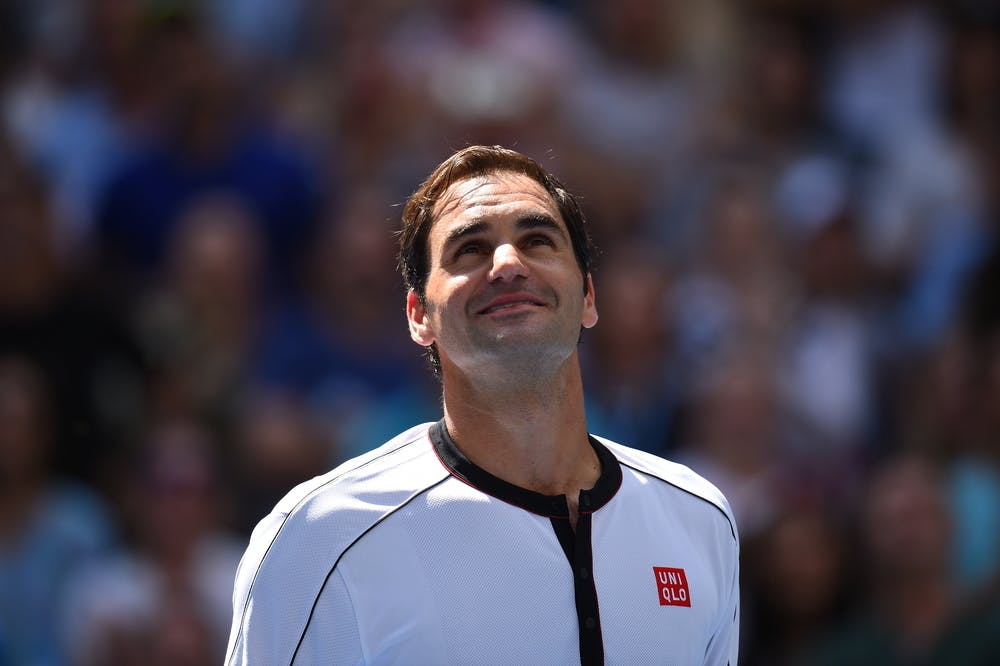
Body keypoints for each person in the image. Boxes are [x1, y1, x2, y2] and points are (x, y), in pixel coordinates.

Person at [225, 145, 740, 665]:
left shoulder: (701, 519)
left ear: (587, 295)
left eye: (537, 240)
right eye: (469, 250)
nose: (509, 264)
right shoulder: (319, 536)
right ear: (417, 315)